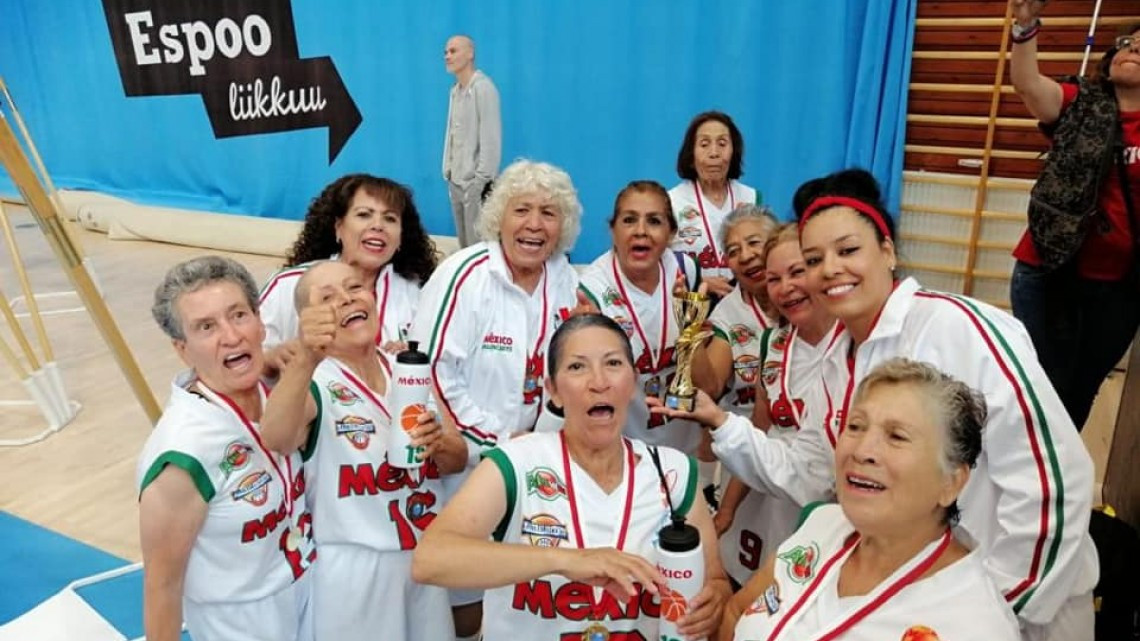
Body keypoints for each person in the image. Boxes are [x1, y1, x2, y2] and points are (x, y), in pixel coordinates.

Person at [661, 169, 1098, 641]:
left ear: (887, 251)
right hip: (921, 593)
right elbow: (813, 472)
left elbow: (1055, 477)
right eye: (814, 259)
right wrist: (723, 425)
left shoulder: (955, 327)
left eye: (848, 251)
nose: (829, 269)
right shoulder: (838, 360)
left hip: (1025, 599)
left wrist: (1000, 603)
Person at [412, 314, 731, 641]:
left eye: (613, 363)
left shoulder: (673, 472)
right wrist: (565, 560)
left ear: (633, 381)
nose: (598, 381)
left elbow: (715, 581)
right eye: (577, 367)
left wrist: (716, 601)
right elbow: (430, 559)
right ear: (554, 390)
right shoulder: (517, 463)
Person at [409, 159, 583, 640]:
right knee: (465, 595)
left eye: (549, 213)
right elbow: (433, 369)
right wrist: (500, 442)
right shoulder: (465, 273)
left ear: (563, 227)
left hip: (532, 467)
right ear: (498, 218)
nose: (534, 224)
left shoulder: (567, 281)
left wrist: (535, 445)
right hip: (464, 461)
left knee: (520, 584)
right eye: (521, 209)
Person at [724, 359, 1022, 640]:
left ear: (951, 482)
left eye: (897, 436)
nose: (862, 449)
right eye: (855, 426)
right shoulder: (823, 526)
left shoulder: (975, 625)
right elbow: (736, 612)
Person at [259, 260, 466, 641]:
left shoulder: (407, 368)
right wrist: (305, 354)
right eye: (327, 298)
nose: (346, 299)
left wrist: (439, 443)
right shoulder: (314, 381)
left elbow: (457, 460)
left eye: (353, 288)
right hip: (354, 570)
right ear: (307, 319)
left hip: (422, 559)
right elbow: (275, 438)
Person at [138, 256, 313, 641]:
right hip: (239, 624)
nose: (231, 336)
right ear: (182, 349)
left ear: (259, 319)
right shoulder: (183, 454)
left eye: (238, 315)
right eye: (206, 327)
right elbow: (162, 587)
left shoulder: (276, 394)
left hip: (306, 591)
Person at [1007, 1, 1140, 431]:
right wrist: (1025, 27)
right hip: (1049, 272)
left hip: (1121, 286)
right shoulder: (1081, 100)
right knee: (1036, 384)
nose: (1131, 49)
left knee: (1080, 389)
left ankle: (1055, 478)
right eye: (1126, 43)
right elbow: (1028, 84)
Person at [711, 222, 837, 590]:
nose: (786, 287)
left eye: (798, 271)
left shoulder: (857, 344)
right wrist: (728, 509)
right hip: (769, 496)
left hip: (824, 502)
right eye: (774, 278)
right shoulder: (774, 343)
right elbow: (759, 434)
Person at [259, 174, 437, 371]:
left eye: (390, 218)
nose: (378, 225)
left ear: (401, 239)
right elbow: (248, 361)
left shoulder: (421, 294)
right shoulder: (288, 284)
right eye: (364, 214)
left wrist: (404, 361)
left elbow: (439, 367)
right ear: (338, 228)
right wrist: (273, 359)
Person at [576, 180, 702, 454]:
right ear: (613, 230)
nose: (641, 231)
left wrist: (690, 329)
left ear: (671, 232)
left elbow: (706, 379)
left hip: (682, 445)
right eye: (629, 220)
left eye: (654, 221)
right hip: (624, 448)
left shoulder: (685, 270)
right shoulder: (593, 290)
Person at [669, 110, 762, 297]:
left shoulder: (751, 198)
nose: (714, 153)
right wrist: (697, 281)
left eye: (722, 144)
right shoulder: (671, 201)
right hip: (692, 301)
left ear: (733, 151)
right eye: (704, 144)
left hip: (743, 302)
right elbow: (654, 264)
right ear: (691, 153)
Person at [443, 34, 502, 247]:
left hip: (475, 183)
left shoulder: (483, 89)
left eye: (453, 51)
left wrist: (480, 181)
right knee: (464, 245)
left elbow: (491, 140)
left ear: (470, 54)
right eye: (446, 52)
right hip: (456, 181)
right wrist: (448, 170)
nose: (447, 56)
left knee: (479, 245)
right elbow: (452, 135)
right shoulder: (455, 92)